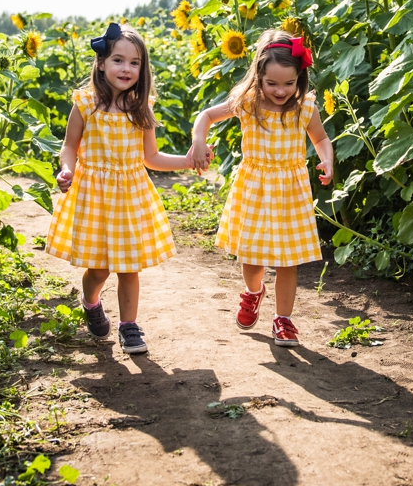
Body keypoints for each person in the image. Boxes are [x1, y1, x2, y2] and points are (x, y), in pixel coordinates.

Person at [47, 23, 204, 355]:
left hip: (130, 196)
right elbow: (69, 147)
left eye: (134, 63)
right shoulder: (86, 104)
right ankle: (90, 302)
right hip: (94, 196)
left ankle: (128, 327)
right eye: (118, 60)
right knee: (100, 267)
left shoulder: (140, 108)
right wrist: (66, 170)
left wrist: (188, 161)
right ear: (101, 63)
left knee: (129, 265)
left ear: (142, 70)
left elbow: (152, 157)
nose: (126, 69)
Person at [190, 30, 335, 347]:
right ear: (258, 77)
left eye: (289, 83)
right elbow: (206, 116)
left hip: (289, 193)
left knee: (288, 261)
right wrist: (199, 140)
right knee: (252, 258)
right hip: (255, 188)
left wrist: (327, 160)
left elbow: (321, 139)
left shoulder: (305, 108)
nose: (281, 90)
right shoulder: (248, 103)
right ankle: (254, 292)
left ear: (300, 78)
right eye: (272, 83)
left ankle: (283, 319)